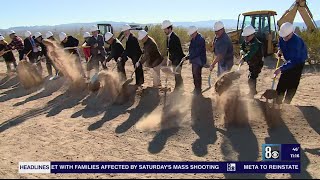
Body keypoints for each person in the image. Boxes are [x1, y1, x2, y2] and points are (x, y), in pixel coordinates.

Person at [274, 22, 308, 104]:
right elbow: (280, 44)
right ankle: (277, 102)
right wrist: (280, 50)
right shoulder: (282, 36)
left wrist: (281, 68)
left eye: (287, 36)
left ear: (292, 33)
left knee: (292, 83)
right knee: (282, 81)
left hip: (298, 63)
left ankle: (287, 103)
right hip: (288, 61)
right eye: (283, 36)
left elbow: (294, 61)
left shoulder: (296, 42)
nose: (284, 38)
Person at [239, 25, 264, 97]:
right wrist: (242, 51)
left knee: (251, 78)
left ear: (252, 35)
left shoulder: (256, 43)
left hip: (257, 63)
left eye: (247, 37)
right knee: (251, 76)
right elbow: (242, 46)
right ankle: (253, 91)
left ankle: (252, 93)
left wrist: (244, 59)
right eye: (245, 37)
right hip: (251, 63)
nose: (245, 38)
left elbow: (251, 53)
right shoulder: (247, 40)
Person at [161, 20, 185, 91]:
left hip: (178, 59)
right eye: (164, 29)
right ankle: (179, 88)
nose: (164, 31)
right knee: (176, 74)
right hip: (174, 59)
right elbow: (169, 49)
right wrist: (169, 59)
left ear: (169, 29)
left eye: (165, 29)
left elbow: (177, 51)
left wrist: (172, 60)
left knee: (177, 74)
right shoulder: (169, 37)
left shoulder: (174, 38)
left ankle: (179, 89)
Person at [185, 26, 206, 95]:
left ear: (195, 32)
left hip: (199, 60)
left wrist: (189, 57)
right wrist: (188, 56)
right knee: (194, 74)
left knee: (197, 74)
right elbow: (191, 50)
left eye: (192, 34)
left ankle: (198, 89)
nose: (191, 35)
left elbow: (197, 52)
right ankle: (196, 88)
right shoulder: (193, 39)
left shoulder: (200, 39)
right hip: (195, 59)